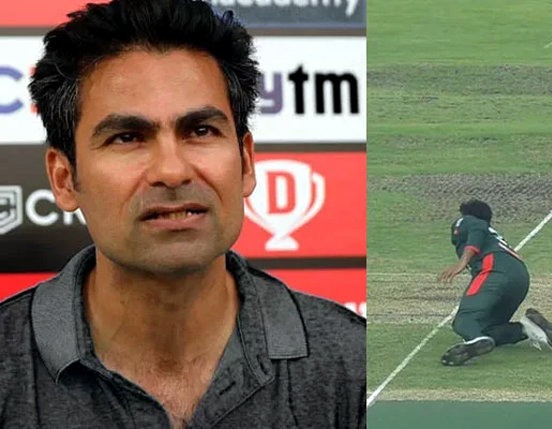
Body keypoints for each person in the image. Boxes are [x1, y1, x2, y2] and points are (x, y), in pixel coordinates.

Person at [0, 1, 366, 427]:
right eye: (127, 137)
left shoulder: (356, 366)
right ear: (64, 179)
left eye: (200, 131)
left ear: (246, 163)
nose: (172, 171)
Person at [437, 199, 552, 366]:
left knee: (464, 320)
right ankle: (528, 328)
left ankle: (475, 340)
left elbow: (477, 226)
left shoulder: (468, 220)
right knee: (487, 330)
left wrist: (463, 262)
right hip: (520, 276)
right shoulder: (493, 235)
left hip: (494, 270)